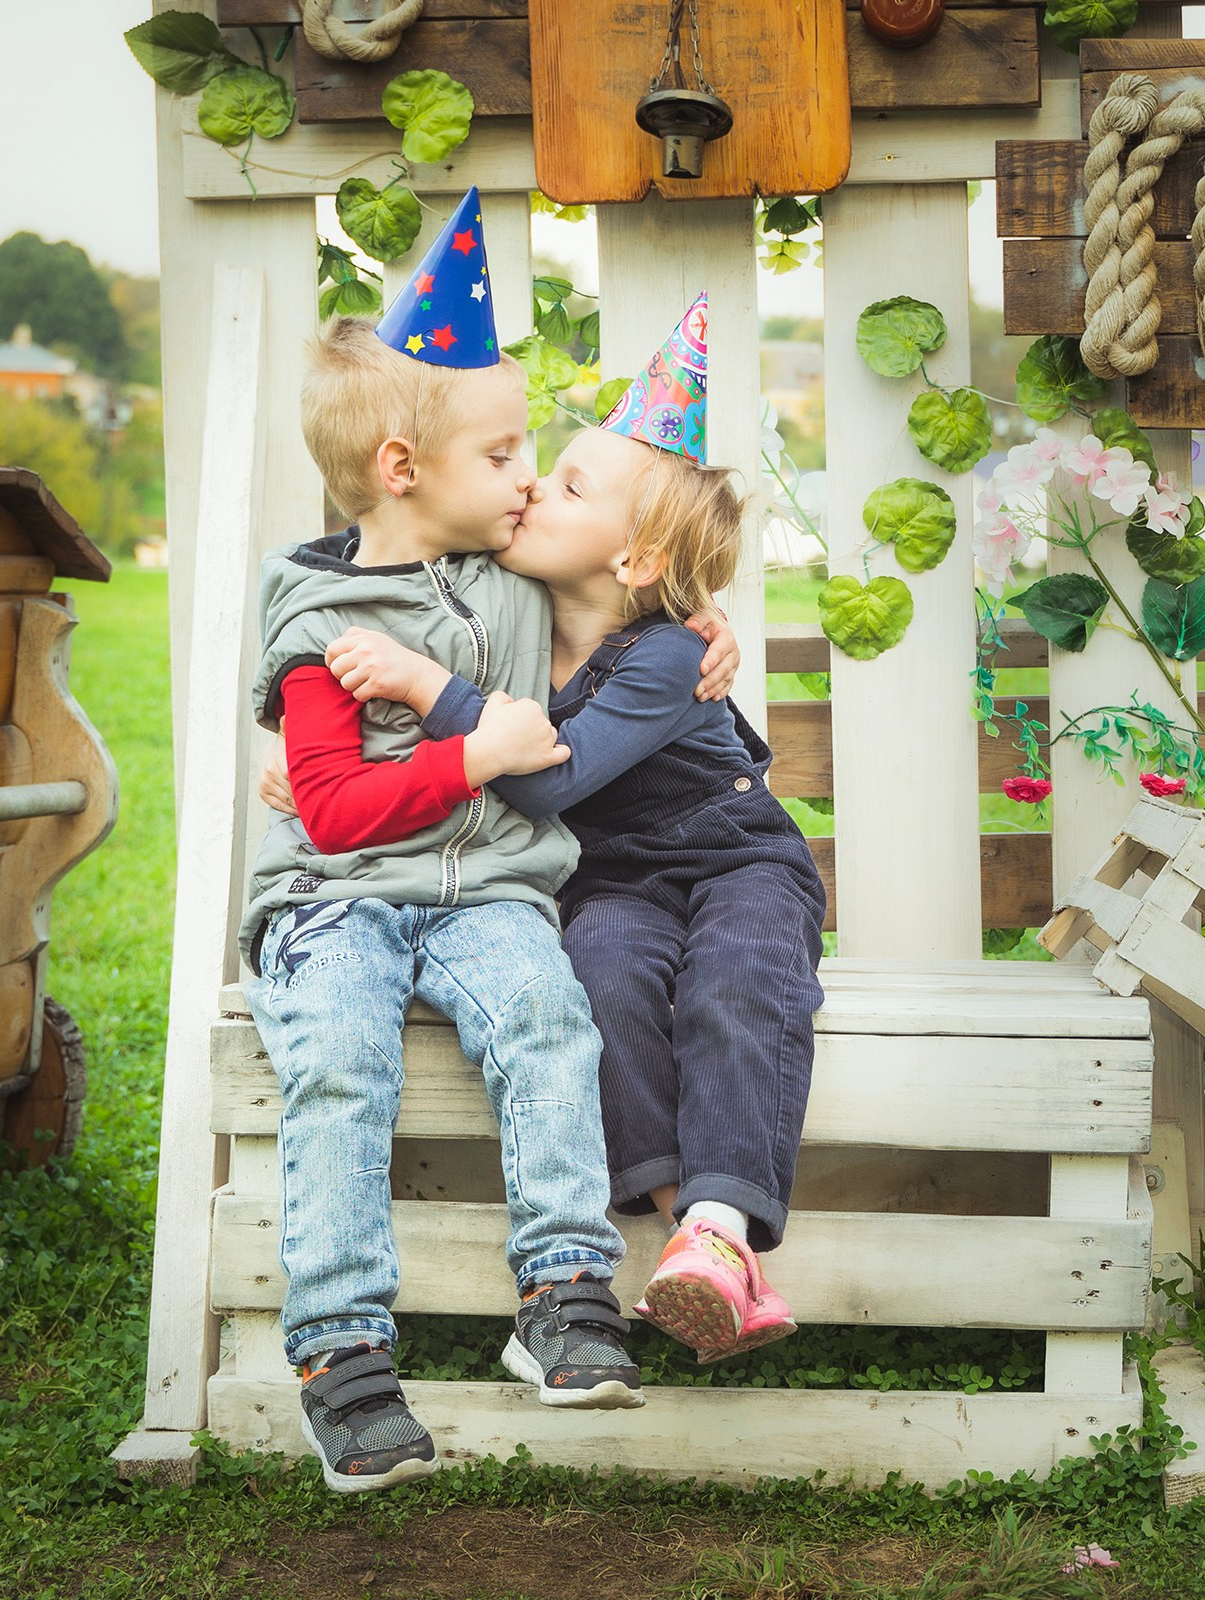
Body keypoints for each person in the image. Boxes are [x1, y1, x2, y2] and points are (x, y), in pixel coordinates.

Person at [239, 197, 737, 1494]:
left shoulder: (512, 567)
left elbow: (629, 569)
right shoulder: (322, 618)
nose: (528, 481)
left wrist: (711, 616)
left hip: (487, 895)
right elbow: (338, 810)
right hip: (336, 897)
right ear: (403, 468)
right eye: (506, 453)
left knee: (547, 1019)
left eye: (532, 458)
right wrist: (476, 752)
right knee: (341, 1062)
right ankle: (341, 1356)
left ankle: (567, 1298)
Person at [308, 295, 827, 1364]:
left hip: (735, 859)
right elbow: (374, 559)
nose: (535, 483)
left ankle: (722, 1228)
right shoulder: (506, 602)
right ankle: (699, 1237)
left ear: (633, 561)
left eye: (571, 484)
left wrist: (433, 690)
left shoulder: (672, 653)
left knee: (737, 979)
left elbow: (553, 779)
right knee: (599, 970)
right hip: (610, 879)